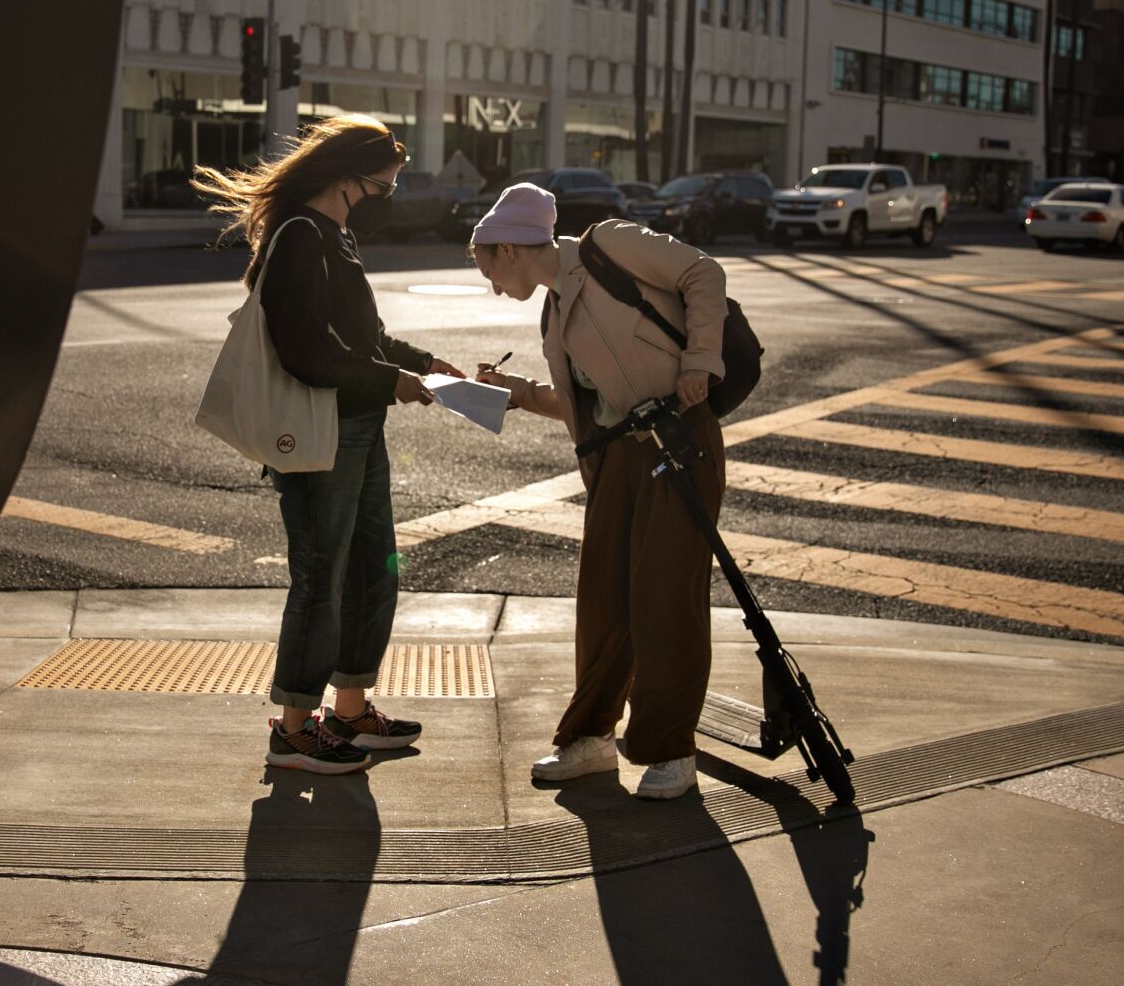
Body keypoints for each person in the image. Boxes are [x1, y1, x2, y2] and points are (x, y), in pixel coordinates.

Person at [193, 116, 463, 774]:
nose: (384, 201)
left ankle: (350, 709)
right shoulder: (300, 239)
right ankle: (292, 728)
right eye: (379, 189)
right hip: (321, 432)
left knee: (376, 567)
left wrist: (429, 365)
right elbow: (307, 350)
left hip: (359, 426)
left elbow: (362, 337)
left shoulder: (333, 237)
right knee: (322, 576)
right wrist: (390, 379)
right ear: (344, 181)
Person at [470, 184, 728, 800]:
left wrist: (700, 360)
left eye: (487, 268)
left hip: (679, 440)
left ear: (509, 249)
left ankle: (670, 750)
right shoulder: (554, 312)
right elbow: (584, 404)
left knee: (664, 597)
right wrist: (516, 392)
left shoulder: (608, 245)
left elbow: (703, 272)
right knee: (604, 599)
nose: (491, 284)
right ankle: (590, 739)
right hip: (618, 456)